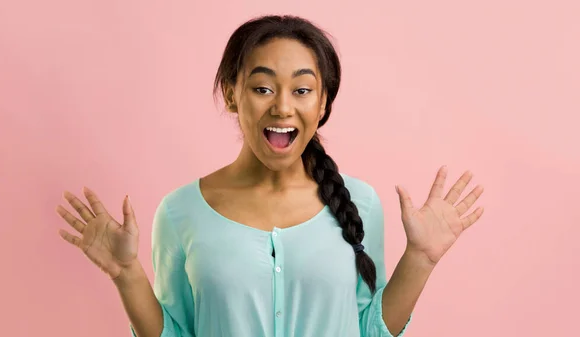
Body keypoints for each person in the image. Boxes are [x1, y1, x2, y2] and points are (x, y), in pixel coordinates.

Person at [56, 15, 484, 337]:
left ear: (322, 104)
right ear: (231, 93)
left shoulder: (361, 203)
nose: (282, 106)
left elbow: (369, 330)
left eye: (302, 90)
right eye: (262, 87)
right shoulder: (180, 212)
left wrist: (421, 259)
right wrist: (126, 274)